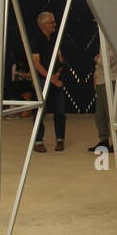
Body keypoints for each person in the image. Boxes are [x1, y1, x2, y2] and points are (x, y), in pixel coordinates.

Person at [31, 11, 66, 152]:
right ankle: (38, 141)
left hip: (55, 78)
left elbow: (61, 58)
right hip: (42, 79)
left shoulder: (55, 38)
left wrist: (57, 74)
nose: (54, 25)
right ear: (44, 25)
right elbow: (36, 64)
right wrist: (50, 78)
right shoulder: (36, 40)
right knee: (40, 111)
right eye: (52, 22)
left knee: (60, 110)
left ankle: (60, 140)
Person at [88, 39, 117, 154]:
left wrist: (97, 59)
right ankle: (103, 140)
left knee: (111, 113)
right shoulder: (104, 40)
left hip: (110, 79)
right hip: (101, 80)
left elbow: (106, 61)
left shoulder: (114, 40)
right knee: (100, 113)